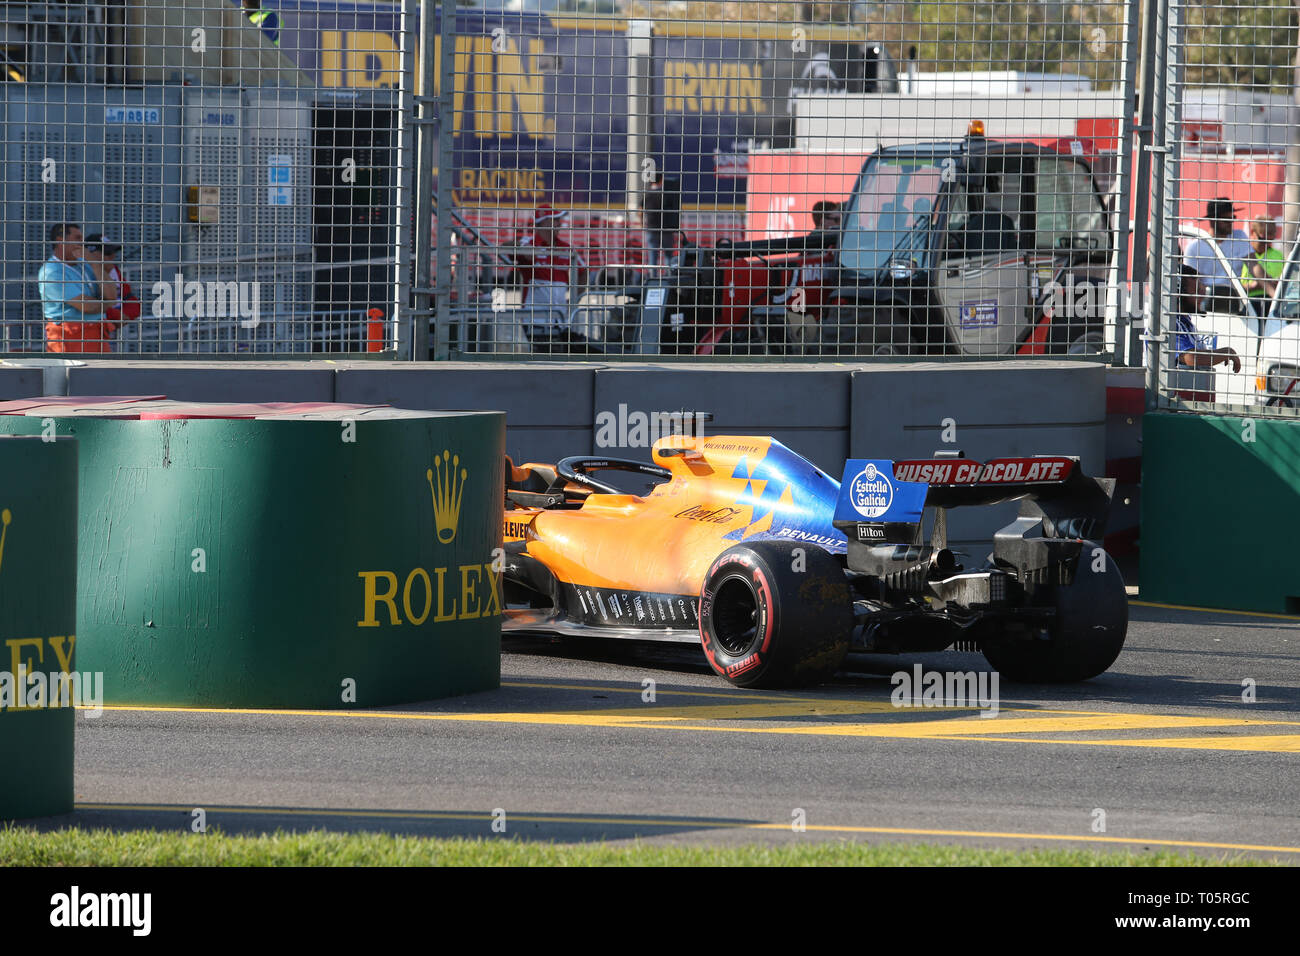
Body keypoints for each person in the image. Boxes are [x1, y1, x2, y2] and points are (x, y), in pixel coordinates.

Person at [511, 204, 590, 351]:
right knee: (543, 363)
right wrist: (520, 248)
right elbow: (504, 248)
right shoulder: (528, 243)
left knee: (559, 362)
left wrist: (574, 299)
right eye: (555, 219)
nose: (560, 223)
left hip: (561, 320)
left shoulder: (566, 248)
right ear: (543, 222)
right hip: (535, 320)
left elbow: (584, 271)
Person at [37, 223, 119, 354]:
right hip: (70, 337)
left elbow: (112, 294)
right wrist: (107, 303)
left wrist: (95, 263)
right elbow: (87, 306)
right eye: (77, 238)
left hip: (96, 334)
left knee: (102, 372)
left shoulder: (85, 265)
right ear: (60, 240)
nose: (82, 243)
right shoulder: (52, 271)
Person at [1168, 265, 1241, 402]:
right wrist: (1226, 352)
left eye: (1202, 290)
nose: (1202, 296)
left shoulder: (1183, 321)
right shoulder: (1169, 322)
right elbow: (1191, 358)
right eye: (1196, 291)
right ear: (1178, 293)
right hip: (1172, 403)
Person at [774, 200, 842, 344]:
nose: (841, 222)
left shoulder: (820, 241)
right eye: (836, 219)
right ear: (823, 220)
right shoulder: (815, 243)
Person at [1184, 197, 1251, 314]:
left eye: (1232, 218)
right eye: (1226, 220)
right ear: (1213, 220)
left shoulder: (1240, 237)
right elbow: (1190, 283)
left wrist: (1273, 292)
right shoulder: (1194, 248)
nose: (1231, 223)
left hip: (1236, 304)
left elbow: (1255, 266)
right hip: (1205, 306)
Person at [84, 234, 141, 334]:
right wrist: (116, 317)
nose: (112, 256)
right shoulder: (80, 272)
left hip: (110, 331)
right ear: (90, 253)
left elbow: (132, 302)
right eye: (107, 252)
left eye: (113, 252)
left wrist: (123, 316)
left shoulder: (113, 270)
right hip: (86, 331)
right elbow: (90, 307)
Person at [642, 171, 681, 268]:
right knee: (669, 258)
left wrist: (642, 223)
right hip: (666, 230)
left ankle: (652, 278)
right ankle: (668, 278)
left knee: (652, 259)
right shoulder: (666, 194)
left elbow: (640, 210)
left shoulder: (647, 194)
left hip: (651, 229)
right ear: (661, 180)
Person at [1241, 216, 1284, 303]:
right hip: (1247, 301)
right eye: (1263, 239)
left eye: (1270, 240)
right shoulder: (1242, 254)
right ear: (1253, 232)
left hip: (1273, 302)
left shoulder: (1279, 256)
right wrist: (1254, 286)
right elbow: (1231, 287)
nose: (1266, 243)